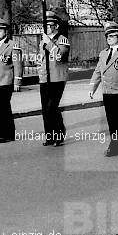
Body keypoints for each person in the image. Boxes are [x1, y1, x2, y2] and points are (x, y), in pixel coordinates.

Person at [89, 21, 118, 157]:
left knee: (117, 120)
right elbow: (98, 71)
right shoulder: (103, 54)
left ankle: (115, 145)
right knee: (110, 120)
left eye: (112, 36)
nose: (109, 39)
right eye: (107, 36)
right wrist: (92, 87)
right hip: (107, 92)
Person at [38, 10, 69, 147]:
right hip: (45, 78)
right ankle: (49, 136)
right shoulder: (42, 41)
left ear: (56, 26)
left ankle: (59, 134)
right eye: (46, 25)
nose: (47, 28)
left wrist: (49, 43)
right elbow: (41, 59)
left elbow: (60, 57)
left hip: (57, 78)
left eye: (50, 25)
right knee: (45, 108)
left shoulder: (62, 39)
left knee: (52, 106)